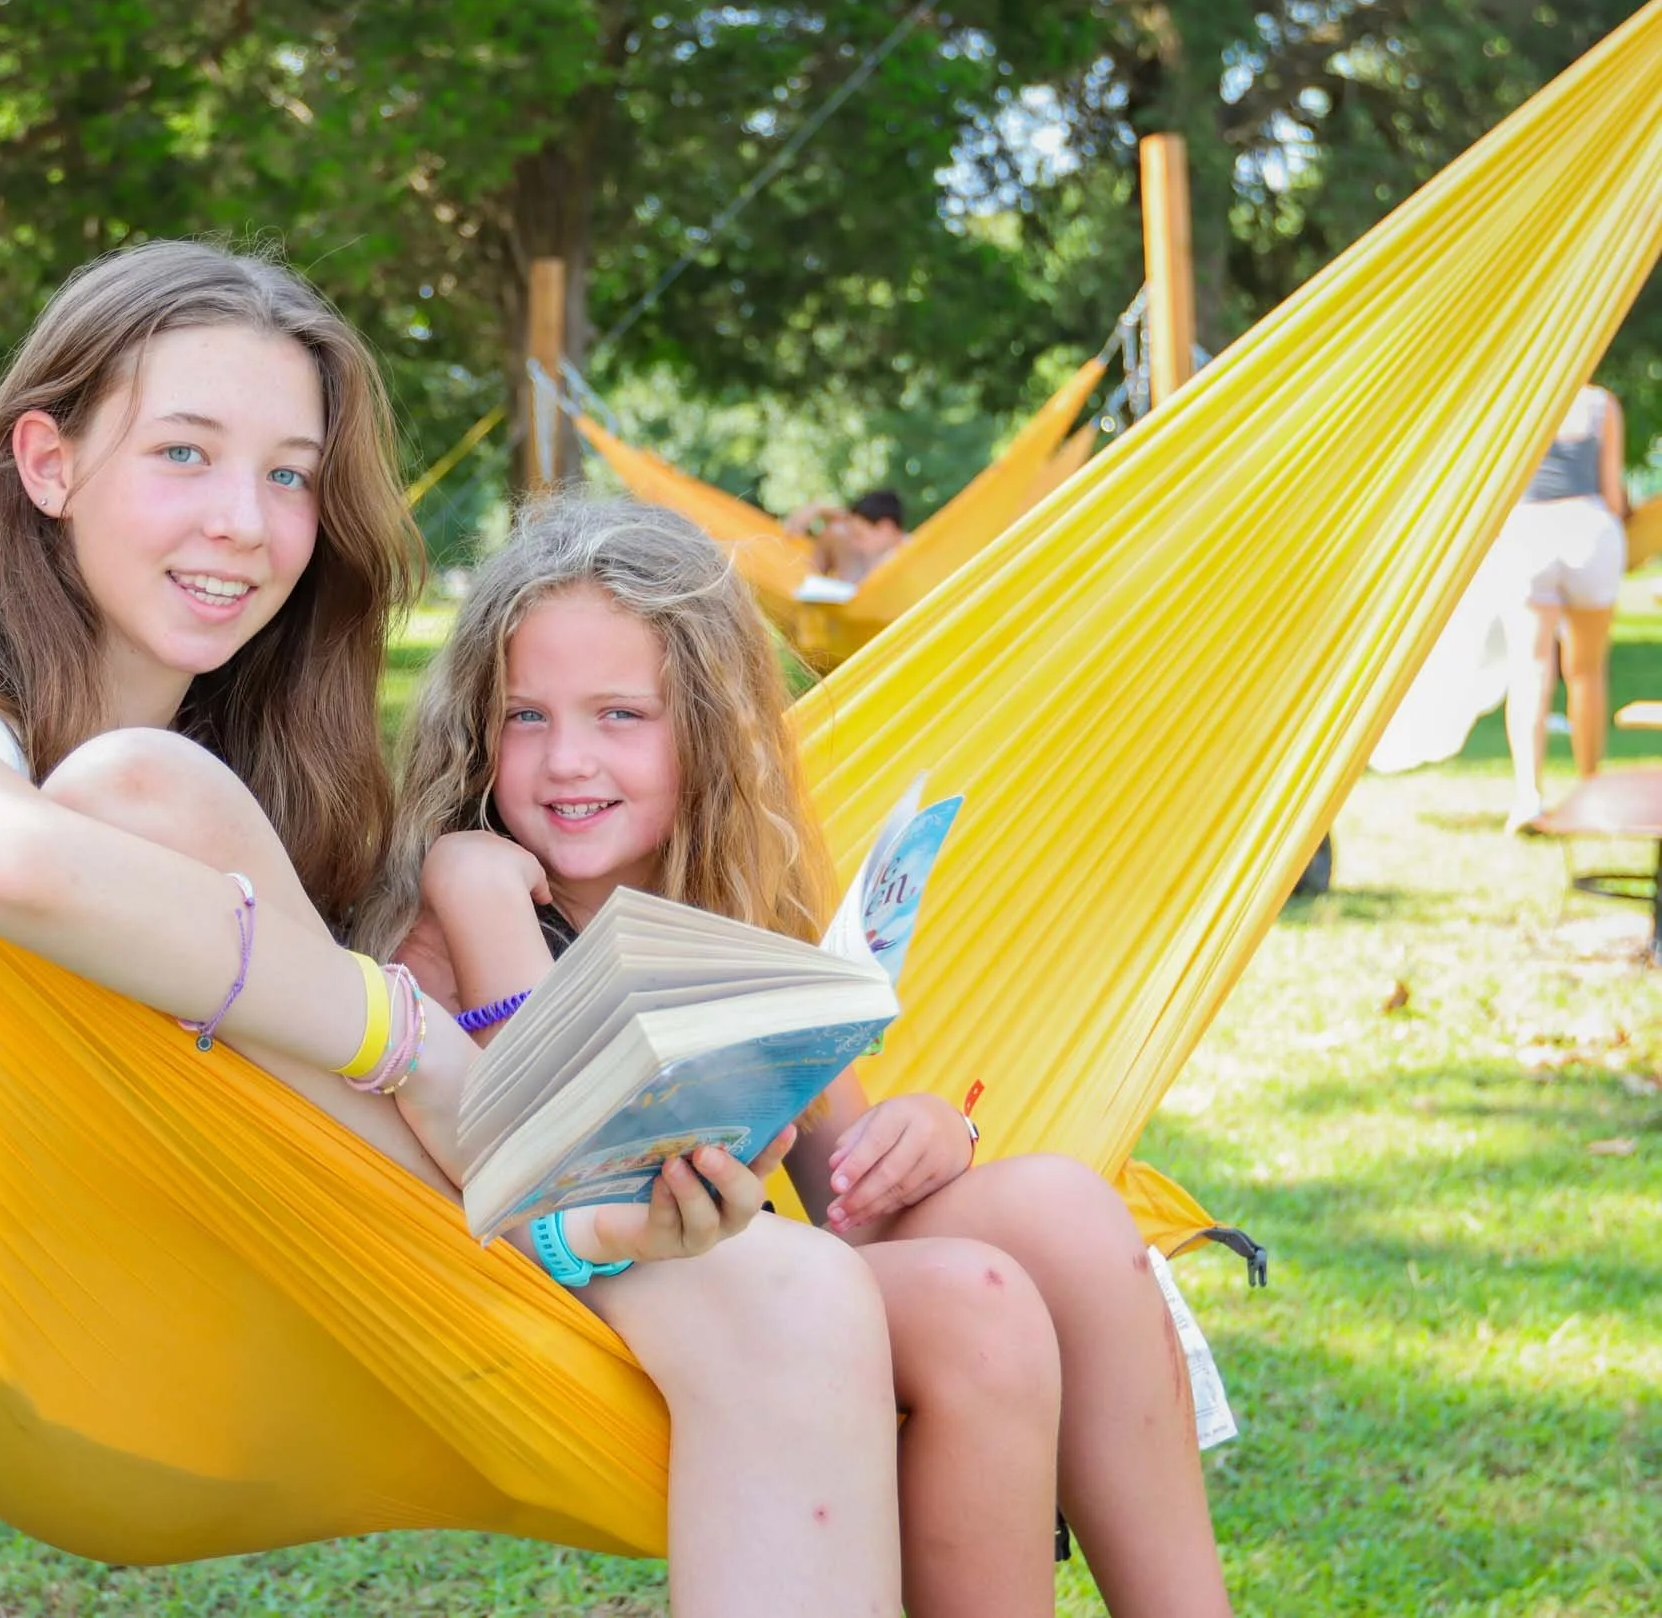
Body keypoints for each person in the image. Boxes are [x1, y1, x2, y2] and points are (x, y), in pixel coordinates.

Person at [0, 242, 903, 1616]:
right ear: (46, 462)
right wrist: (423, 1051)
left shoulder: (255, 731)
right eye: (184, 453)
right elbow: (4, 858)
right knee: (131, 792)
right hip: (120, 1277)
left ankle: (600, 1210)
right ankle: (587, 1199)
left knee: (802, 1301)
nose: (247, 524)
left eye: (289, 473)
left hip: (378, 1220)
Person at [367, 493, 1234, 1618]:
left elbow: (839, 1193)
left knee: (1062, 1209)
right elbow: (552, 1166)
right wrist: (476, 900)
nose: (565, 758)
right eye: (525, 716)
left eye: (620, 714)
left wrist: (925, 1136)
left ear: (709, 729)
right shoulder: (460, 908)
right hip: (583, 1297)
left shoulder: (726, 897)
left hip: (750, 1262)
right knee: (976, 1302)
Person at [1497, 384, 1634, 830]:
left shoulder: (1515, 397)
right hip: (1588, 528)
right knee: (1586, 670)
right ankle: (1589, 787)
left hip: (1529, 531)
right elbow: (1612, 495)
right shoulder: (1600, 403)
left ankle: (1527, 797)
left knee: (1530, 669)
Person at [791, 488, 910, 583]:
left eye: (859, 536)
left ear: (886, 529)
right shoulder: (876, 552)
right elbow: (792, 532)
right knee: (835, 532)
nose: (854, 544)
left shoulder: (910, 557)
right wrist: (819, 509)